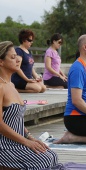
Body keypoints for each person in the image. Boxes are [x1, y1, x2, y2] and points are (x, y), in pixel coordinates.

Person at [0, 41, 62, 169]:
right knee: (44, 161)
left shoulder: (11, 85)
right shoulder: (1, 88)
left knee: (52, 155)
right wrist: (26, 142)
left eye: (17, 56)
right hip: (5, 145)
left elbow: (15, 121)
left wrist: (30, 137)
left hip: (18, 141)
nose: (18, 60)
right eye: (12, 57)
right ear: (1, 62)